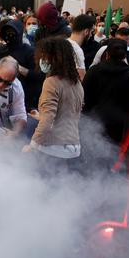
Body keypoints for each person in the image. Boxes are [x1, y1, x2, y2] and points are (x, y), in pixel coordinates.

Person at [23, 37, 84, 169]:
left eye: (44, 56)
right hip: (73, 148)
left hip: (52, 149)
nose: (42, 60)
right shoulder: (77, 83)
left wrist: (32, 145)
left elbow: (48, 120)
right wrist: (40, 116)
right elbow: (68, 114)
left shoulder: (52, 82)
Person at [82, 39, 129, 168]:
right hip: (117, 123)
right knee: (109, 155)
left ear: (107, 54)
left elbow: (84, 95)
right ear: (125, 56)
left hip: (92, 119)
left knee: (90, 154)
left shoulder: (93, 71)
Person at [0, 18, 43, 112]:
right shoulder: (1, 50)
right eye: (7, 32)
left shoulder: (29, 51)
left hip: (24, 99)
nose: (10, 34)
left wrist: (18, 68)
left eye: (12, 31)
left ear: (19, 32)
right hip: (2, 94)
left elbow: (39, 76)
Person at [68, 14, 95, 81]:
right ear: (86, 31)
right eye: (91, 32)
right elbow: (82, 79)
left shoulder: (64, 42)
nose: (91, 35)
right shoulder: (77, 50)